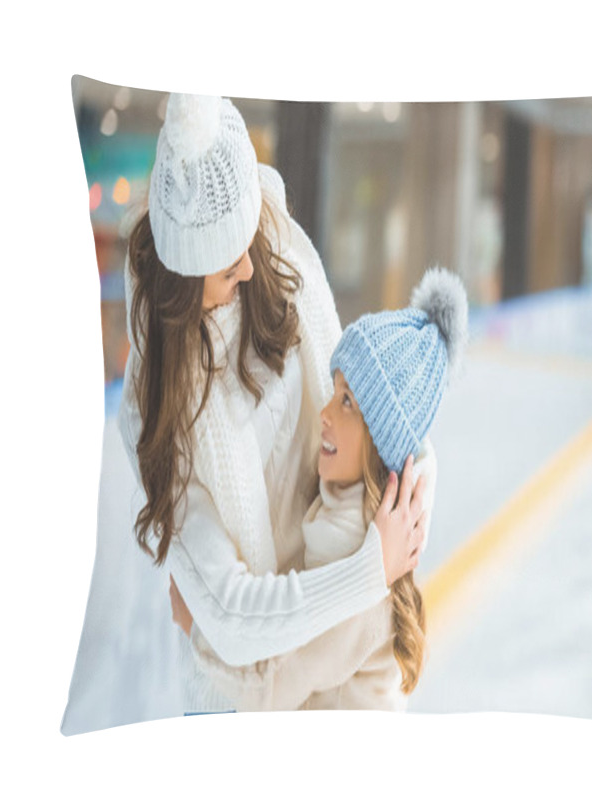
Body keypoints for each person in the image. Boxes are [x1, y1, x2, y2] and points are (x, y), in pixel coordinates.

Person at [118, 92, 436, 713]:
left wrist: (411, 509)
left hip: (334, 661)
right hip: (239, 694)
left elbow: (379, 409)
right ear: (180, 278)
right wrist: (370, 572)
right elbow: (232, 619)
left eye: (247, 243)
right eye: (224, 263)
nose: (245, 265)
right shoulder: (154, 405)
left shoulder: (279, 253)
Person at [170, 268, 468, 711]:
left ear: (382, 440)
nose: (325, 413)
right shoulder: (351, 510)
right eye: (335, 391)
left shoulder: (359, 547)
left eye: (347, 402)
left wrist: (198, 622)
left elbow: (275, 683)